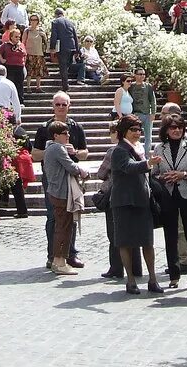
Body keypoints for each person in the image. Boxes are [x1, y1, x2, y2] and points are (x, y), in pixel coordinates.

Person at [33, 92, 88, 271]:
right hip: (53, 177)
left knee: (70, 216)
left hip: (71, 179)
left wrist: (74, 152)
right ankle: (53, 256)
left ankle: (70, 254)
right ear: (53, 106)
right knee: (53, 217)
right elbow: (34, 155)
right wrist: (56, 150)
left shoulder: (76, 127)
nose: (61, 107)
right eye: (58, 104)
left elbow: (85, 153)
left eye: (64, 104)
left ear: (69, 106)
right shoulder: (44, 128)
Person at [110, 115, 164, 295]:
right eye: (133, 129)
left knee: (147, 241)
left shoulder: (139, 147)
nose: (137, 133)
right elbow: (129, 167)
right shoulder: (119, 150)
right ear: (123, 131)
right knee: (125, 242)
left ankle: (152, 279)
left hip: (141, 200)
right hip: (124, 202)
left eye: (139, 129)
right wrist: (148, 163)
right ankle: (130, 280)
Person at [153, 115, 187, 289]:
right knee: (170, 235)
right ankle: (173, 275)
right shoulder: (159, 148)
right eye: (173, 127)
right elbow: (154, 174)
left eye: (179, 127)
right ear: (166, 130)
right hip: (168, 195)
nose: (176, 130)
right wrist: (164, 177)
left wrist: (184, 175)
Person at [42, 121, 90, 275]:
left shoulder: (50, 148)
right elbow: (71, 166)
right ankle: (59, 261)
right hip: (61, 193)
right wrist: (83, 172)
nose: (68, 135)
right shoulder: (57, 148)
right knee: (63, 228)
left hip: (56, 191)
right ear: (56, 135)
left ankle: (59, 260)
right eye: (65, 133)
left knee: (62, 226)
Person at [97, 122, 143, 280]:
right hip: (136, 195)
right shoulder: (140, 149)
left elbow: (101, 173)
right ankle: (136, 267)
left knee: (115, 233)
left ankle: (116, 268)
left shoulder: (114, 150)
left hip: (116, 195)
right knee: (135, 232)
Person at [48, 7, 79, 92]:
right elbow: (75, 36)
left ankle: (65, 85)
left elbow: (54, 35)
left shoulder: (55, 22)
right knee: (67, 65)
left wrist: (52, 47)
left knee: (63, 66)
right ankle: (65, 81)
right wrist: (77, 49)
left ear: (55, 15)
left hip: (62, 47)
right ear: (63, 14)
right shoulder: (70, 22)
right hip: (71, 46)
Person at [130, 68, 158, 152]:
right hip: (135, 114)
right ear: (135, 75)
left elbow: (153, 100)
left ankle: (145, 155)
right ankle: (137, 153)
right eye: (140, 74)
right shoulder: (131, 86)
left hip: (147, 114)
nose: (142, 76)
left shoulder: (148, 86)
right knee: (135, 135)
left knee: (148, 137)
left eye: (143, 74)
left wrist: (153, 113)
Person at [21, 14, 49, 93]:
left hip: (39, 53)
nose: (33, 21)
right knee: (29, 71)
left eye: (35, 20)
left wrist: (44, 37)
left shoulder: (41, 30)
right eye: (32, 20)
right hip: (29, 53)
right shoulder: (27, 30)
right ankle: (28, 87)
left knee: (39, 72)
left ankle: (38, 87)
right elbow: (23, 42)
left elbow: (45, 43)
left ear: (38, 21)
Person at [0, 28, 27, 103]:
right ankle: (9, 101)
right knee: (10, 84)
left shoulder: (21, 45)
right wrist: (2, 60)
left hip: (20, 67)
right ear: (11, 37)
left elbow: (25, 55)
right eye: (16, 37)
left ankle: (20, 101)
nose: (17, 38)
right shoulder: (5, 45)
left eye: (18, 37)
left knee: (19, 85)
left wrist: (24, 63)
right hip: (10, 67)